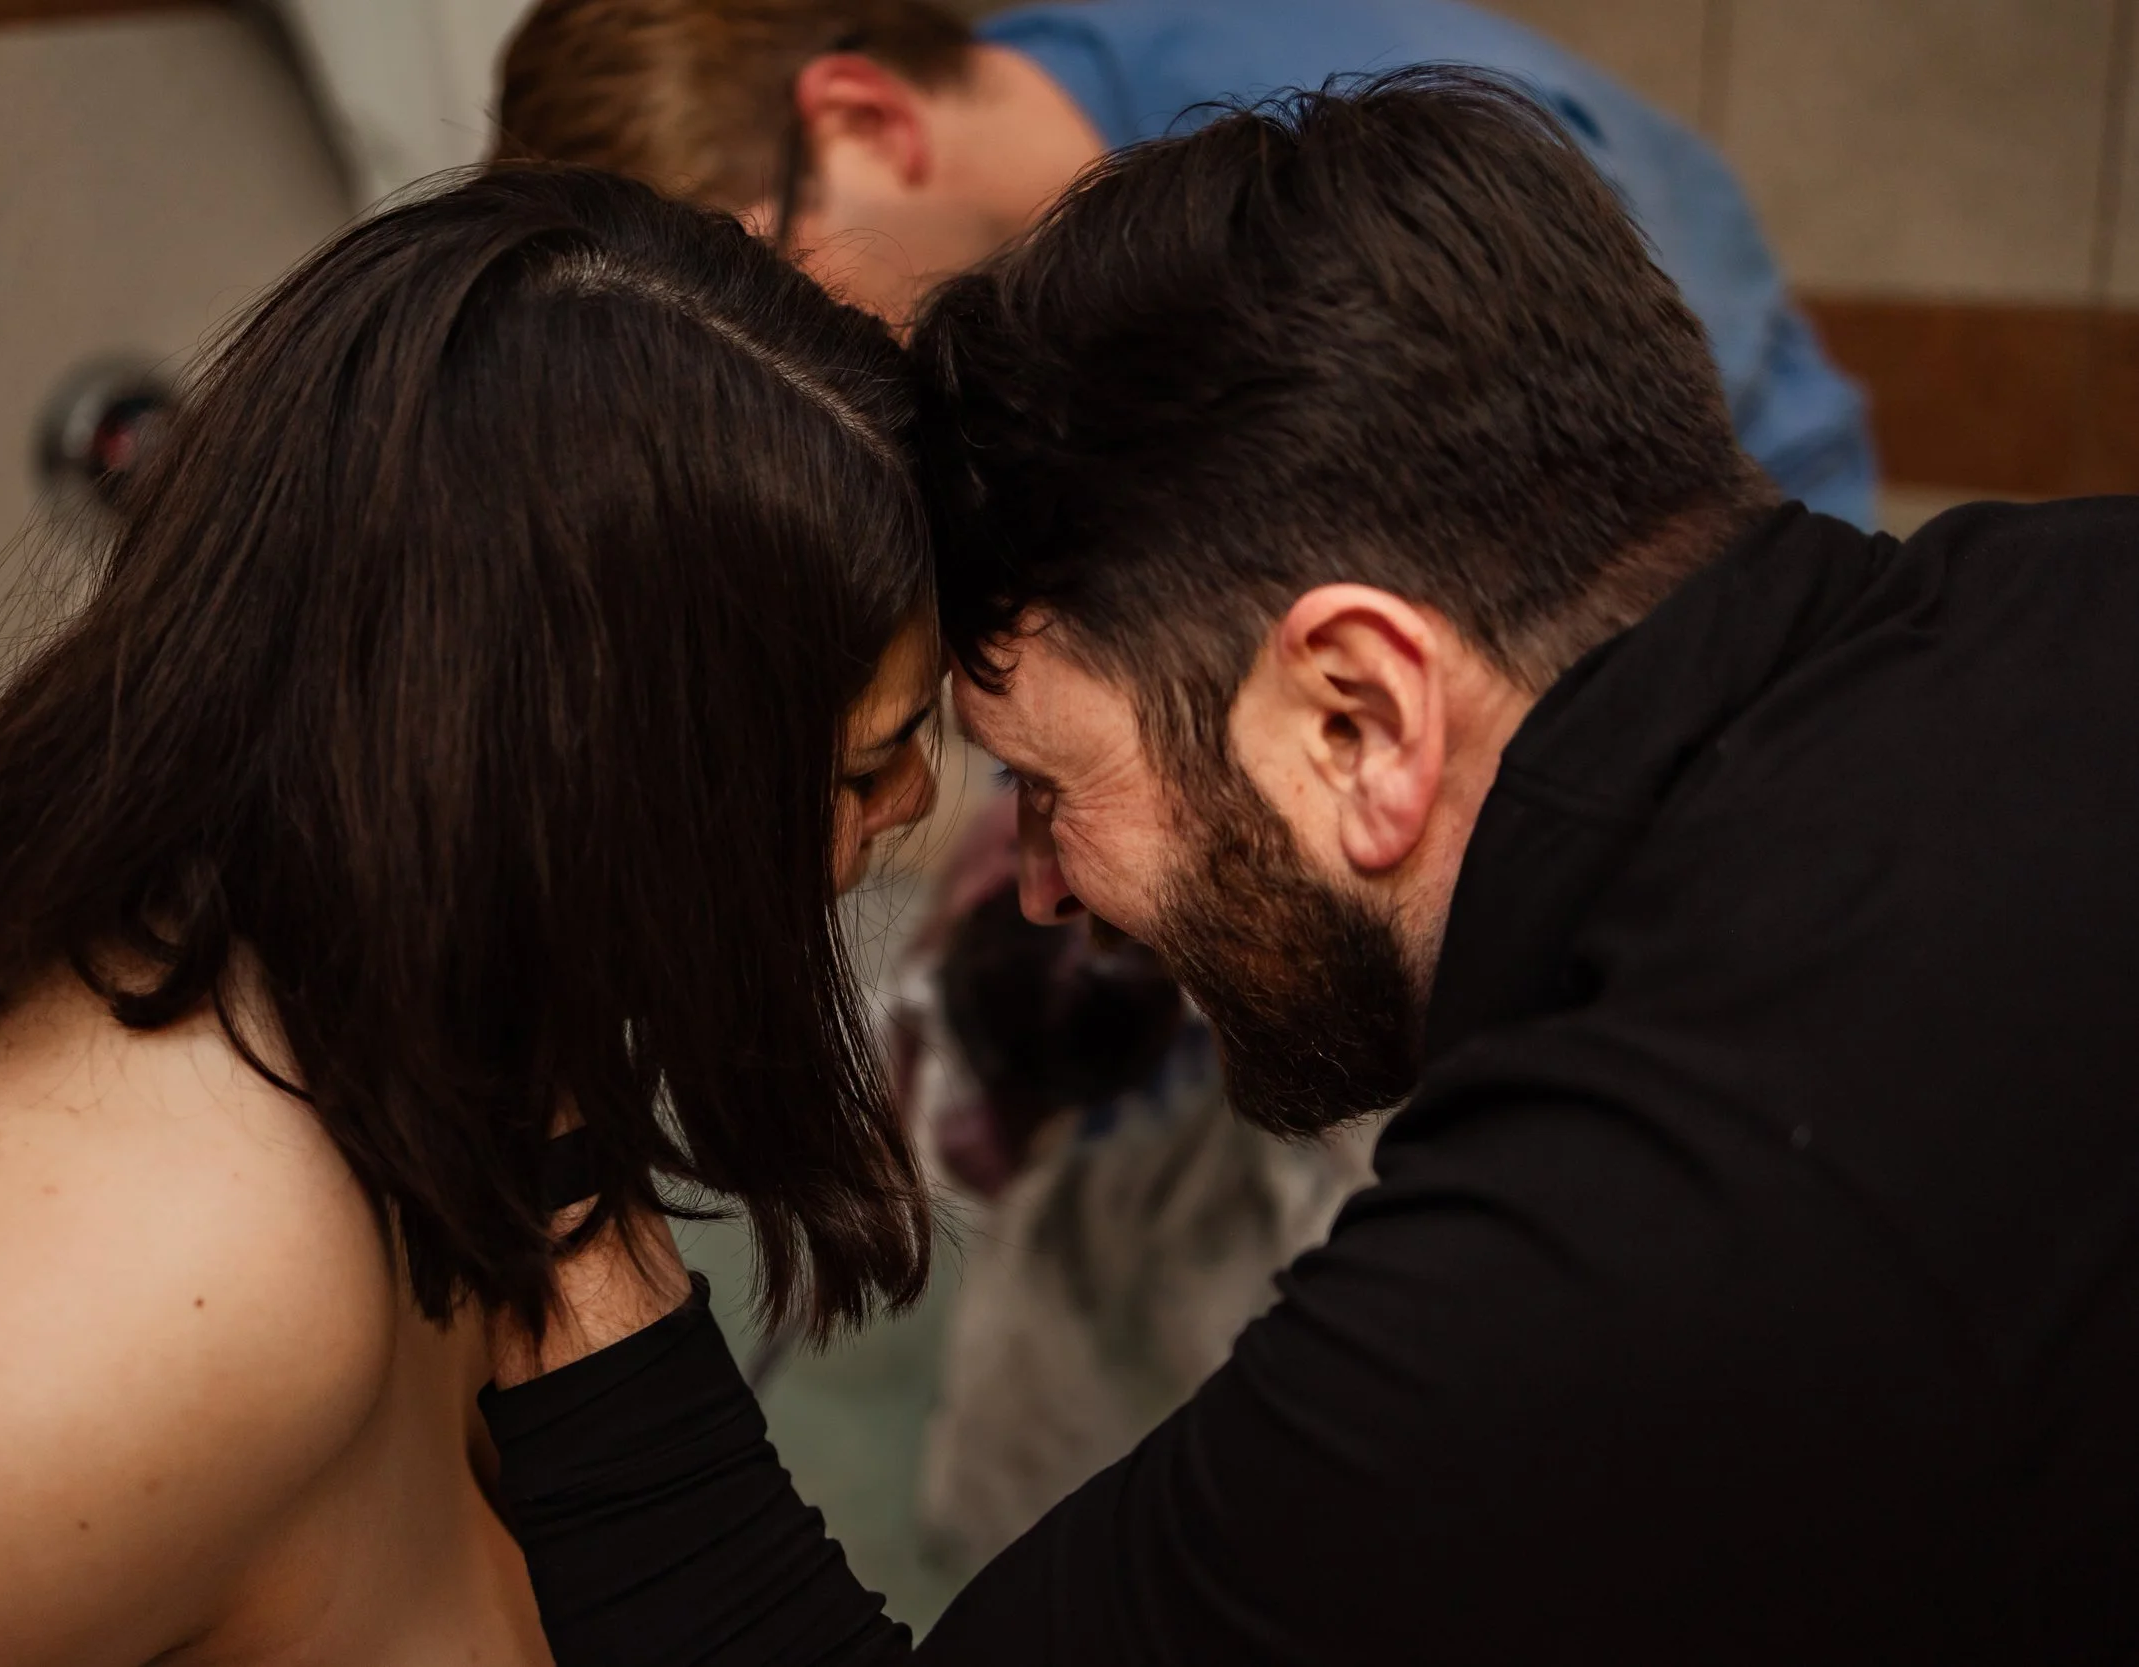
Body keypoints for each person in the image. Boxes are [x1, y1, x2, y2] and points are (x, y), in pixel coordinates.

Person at [478, 74, 2139, 1662]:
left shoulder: (1584, 1268)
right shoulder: (2076, 589)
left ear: (1356, 714)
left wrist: (552, 1160)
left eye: (1050, 784)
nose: (1041, 886)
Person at [0, 165, 947, 1664]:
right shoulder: (160, 1293)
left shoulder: (377, 980)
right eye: (865, 763)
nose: (914, 799)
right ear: (593, 768)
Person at [492, 0, 1879, 525]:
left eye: (771, 281)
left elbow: (1562, 551)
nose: (772, 352)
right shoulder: (996, 250)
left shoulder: (1383, 148)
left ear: (863, 119)